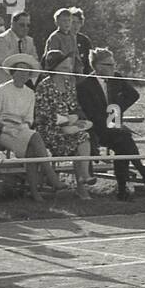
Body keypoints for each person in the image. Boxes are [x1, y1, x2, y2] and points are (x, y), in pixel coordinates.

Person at [77, 48, 145, 200]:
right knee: (124, 139)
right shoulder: (84, 85)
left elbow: (134, 95)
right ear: (97, 66)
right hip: (95, 129)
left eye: (113, 64)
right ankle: (142, 174)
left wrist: (116, 109)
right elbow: (91, 113)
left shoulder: (116, 78)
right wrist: (111, 117)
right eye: (109, 64)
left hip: (112, 124)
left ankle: (122, 190)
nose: (113, 68)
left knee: (123, 143)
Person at [0, 53, 62, 202]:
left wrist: (23, 128)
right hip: (3, 131)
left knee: (32, 151)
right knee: (35, 137)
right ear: (13, 72)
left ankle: (35, 193)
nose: (22, 75)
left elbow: (29, 118)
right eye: (19, 71)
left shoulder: (30, 93)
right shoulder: (1, 90)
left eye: (26, 72)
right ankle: (50, 175)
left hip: (22, 130)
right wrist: (7, 129)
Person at [33, 50, 93, 200]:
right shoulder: (43, 86)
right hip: (49, 129)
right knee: (79, 137)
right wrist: (69, 120)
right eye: (65, 67)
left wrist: (78, 118)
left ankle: (83, 181)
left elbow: (74, 106)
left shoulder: (69, 84)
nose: (69, 70)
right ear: (56, 68)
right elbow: (43, 114)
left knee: (83, 136)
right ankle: (83, 182)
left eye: (69, 67)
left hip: (68, 126)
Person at [0, 11, 37, 100]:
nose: (26, 28)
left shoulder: (29, 41)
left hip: (20, 86)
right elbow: (7, 64)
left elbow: (34, 63)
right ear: (13, 24)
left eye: (28, 25)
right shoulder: (2, 40)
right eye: (22, 25)